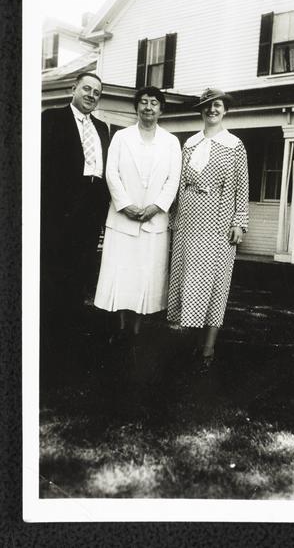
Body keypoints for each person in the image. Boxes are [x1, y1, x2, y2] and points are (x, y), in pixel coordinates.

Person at [167, 88, 249, 371]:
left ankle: (208, 348)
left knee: (213, 281)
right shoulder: (189, 143)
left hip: (217, 219)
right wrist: (174, 218)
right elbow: (178, 184)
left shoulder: (234, 145)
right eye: (206, 106)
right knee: (187, 278)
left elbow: (242, 187)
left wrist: (239, 221)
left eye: (217, 105)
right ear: (201, 111)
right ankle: (189, 343)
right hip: (188, 219)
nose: (212, 110)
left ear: (225, 109)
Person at [94, 86, 182, 340]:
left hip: (153, 221)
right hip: (123, 219)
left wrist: (156, 207)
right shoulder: (121, 137)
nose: (148, 107)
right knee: (122, 273)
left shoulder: (170, 142)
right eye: (143, 102)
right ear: (136, 107)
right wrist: (126, 205)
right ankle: (121, 328)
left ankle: (137, 330)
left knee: (146, 274)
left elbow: (173, 179)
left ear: (161, 109)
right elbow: (111, 173)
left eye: (154, 103)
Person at [41, 72, 110, 342]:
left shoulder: (102, 128)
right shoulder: (51, 118)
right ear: (74, 88)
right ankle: (49, 325)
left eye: (96, 92)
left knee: (82, 265)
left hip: (92, 204)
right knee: (55, 264)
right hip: (61, 205)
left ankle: (71, 323)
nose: (91, 95)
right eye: (87, 89)